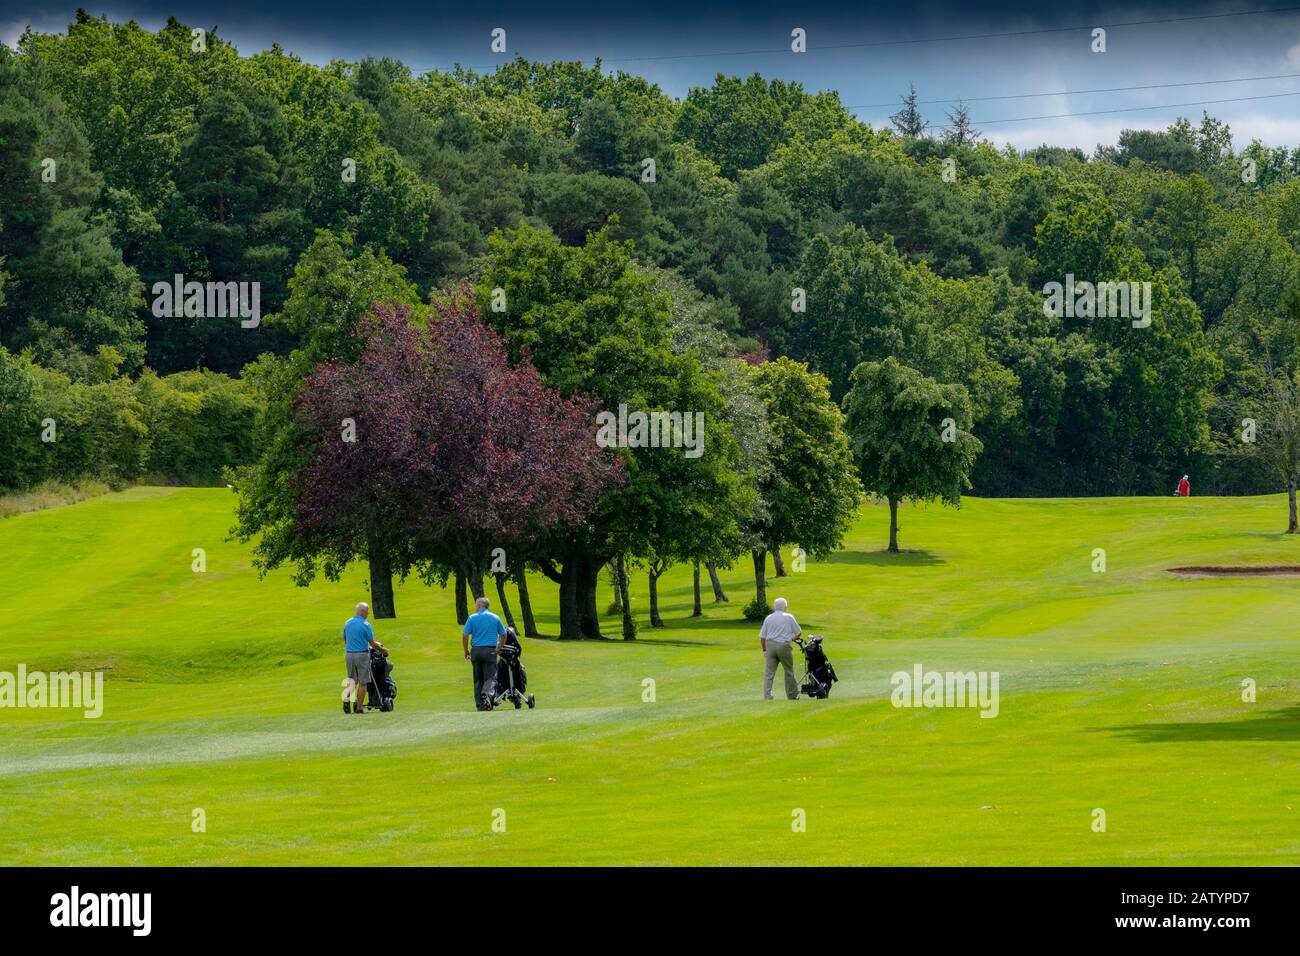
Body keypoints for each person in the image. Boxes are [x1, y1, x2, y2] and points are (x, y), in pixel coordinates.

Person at [462, 596, 506, 711]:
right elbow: (503, 634)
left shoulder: (472, 618)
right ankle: (487, 694)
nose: (475, 607)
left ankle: (480, 705)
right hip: (490, 650)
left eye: (476, 605)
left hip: (476, 650)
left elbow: (465, 635)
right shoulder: (495, 618)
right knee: (491, 677)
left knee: (478, 678)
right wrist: (499, 648)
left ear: (480, 605)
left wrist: (466, 650)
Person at [759, 597, 802, 700]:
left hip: (770, 646)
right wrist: (791, 639)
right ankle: (792, 695)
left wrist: (765, 649)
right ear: (785, 607)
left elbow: (762, 636)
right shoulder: (789, 617)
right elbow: (798, 633)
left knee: (769, 673)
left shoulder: (768, 618)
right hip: (783, 646)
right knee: (788, 671)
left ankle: (767, 696)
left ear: (775, 607)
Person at [342, 602, 381, 714]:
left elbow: (346, 640)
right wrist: (382, 650)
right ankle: (359, 708)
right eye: (367, 611)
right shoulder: (366, 625)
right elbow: (372, 643)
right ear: (362, 611)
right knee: (363, 682)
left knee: (352, 681)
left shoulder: (347, 623)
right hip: (362, 655)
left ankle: (346, 699)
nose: (368, 613)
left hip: (349, 655)